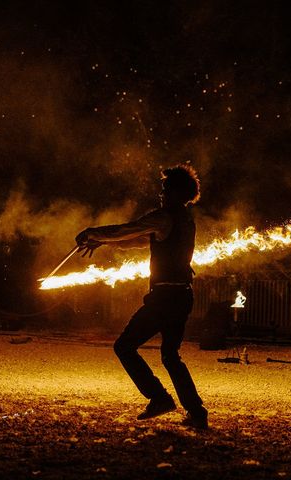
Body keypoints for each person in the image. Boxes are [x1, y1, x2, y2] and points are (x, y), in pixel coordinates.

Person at [75, 165, 208, 428]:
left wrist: (93, 232)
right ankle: (196, 412)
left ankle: (159, 398)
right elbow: (138, 239)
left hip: (164, 298)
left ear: (178, 192)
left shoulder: (165, 217)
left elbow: (130, 228)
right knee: (170, 355)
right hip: (182, 295)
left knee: (124, 347)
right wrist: (103, 242)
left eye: (166, 188)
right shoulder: (184, 219)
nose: (161, 193)